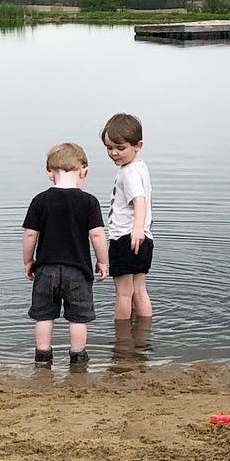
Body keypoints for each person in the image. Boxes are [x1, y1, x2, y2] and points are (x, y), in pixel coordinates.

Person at [21, 141, 108, 366]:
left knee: (43, 316)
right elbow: (97, 235)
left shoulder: (40, 200)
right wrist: (103, 261)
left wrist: (28, 261)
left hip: (46, 270)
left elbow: (30, 235)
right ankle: (77, 356)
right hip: (78, 271)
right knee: (78, 318)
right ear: (84, 171)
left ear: (50, 173)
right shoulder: (89, 202)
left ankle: (42, 355)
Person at [101, 112, 153, 321]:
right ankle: (144, 333)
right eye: (109, 148)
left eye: (120, 148)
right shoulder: (141, 167)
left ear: (138, 145)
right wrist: (143, 228)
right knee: (139, 291)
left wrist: (136, 228)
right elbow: (150, 198)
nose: (114, 153)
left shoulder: (129, 173)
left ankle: (121, 343)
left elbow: (139, 200)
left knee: (123, 294)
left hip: (125, 238)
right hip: (144, 239)